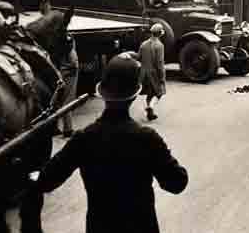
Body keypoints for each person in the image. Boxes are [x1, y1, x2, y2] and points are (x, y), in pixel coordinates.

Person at [21, 53, 188, 233]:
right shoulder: (147, 138)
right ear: (134, 95)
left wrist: (34, 175)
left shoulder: (84, 138)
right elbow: (177, 183)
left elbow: (47, 180)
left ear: (103, 93)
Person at [139, 23, 167, 121]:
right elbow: (160, 63)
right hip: (154, 74)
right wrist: (162, 77)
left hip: (143, 74)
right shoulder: (159, 45)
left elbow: (139, 57)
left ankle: (149, 113)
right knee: (159, 93)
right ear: (160, 34)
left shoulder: (143, 44)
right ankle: (150, 107)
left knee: (149, 94)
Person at [55, 34, 79, 137]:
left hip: (61, 74)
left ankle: (55, 127)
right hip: (69, 76)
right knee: (67, 101)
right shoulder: (70, 50)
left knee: (56, 101)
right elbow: (74, 64)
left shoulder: (58, 50)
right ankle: (68, 129)